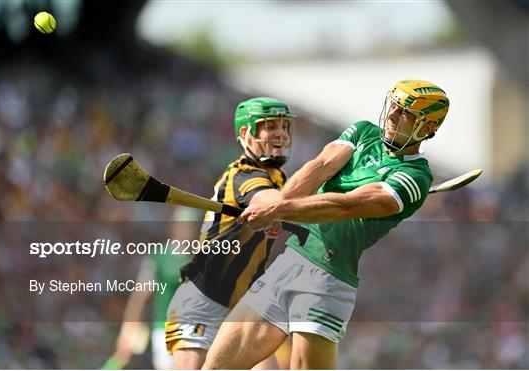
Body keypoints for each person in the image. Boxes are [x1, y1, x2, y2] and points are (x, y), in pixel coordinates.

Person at [202, 79, 450, 369]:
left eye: (406, 113)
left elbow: (348, 205)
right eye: (393, 107)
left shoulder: (414, 177)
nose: (393, 116)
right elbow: (320, 166)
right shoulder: (364, 132)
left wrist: (280, 208)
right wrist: (279, 206)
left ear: (428, 128)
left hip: (327, 281)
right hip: (289, 262)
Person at [165, 97, 296, 369]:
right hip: (203, 299)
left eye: (284, 126)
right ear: (246, 134)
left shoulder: (279, 179)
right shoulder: (244, 175)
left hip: (244, 306)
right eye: (270, 126)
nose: (281, 133)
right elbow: (272, 204)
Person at [114, 207, 201, 369]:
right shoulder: (159, 257)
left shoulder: (202, 258)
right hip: (164, 330)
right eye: (183, 225)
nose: (187, 230)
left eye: (191, 226)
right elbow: (140, 295)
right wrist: (128, 328)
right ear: (174, 227)